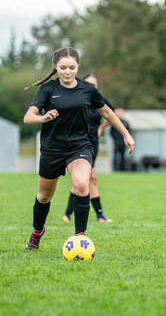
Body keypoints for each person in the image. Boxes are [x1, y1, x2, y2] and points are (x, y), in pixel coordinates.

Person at [23, 47, 134, 250]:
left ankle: (79, 238)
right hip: (52, 149)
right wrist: (42, 117)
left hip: (79, 146)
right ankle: (38, 232)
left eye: (72, 67)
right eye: (63, 67)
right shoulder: (48, 89)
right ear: (55, 67)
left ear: (78, 67)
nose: (67, 71)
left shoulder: (88, 90)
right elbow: (28, 117)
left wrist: (126, 134)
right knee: (44, 196)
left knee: (82, 185)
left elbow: (108, 113)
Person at [62, 73, 115, 223]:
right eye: (90, 84)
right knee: (88, 178)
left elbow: (112, 114)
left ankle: (71, 214)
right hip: (79, 142)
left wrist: (101, 128)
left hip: (93, 142)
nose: (93, 87)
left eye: (95, 85)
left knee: (90, 179)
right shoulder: (78, 99)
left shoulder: (99, 99)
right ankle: (97, 215)